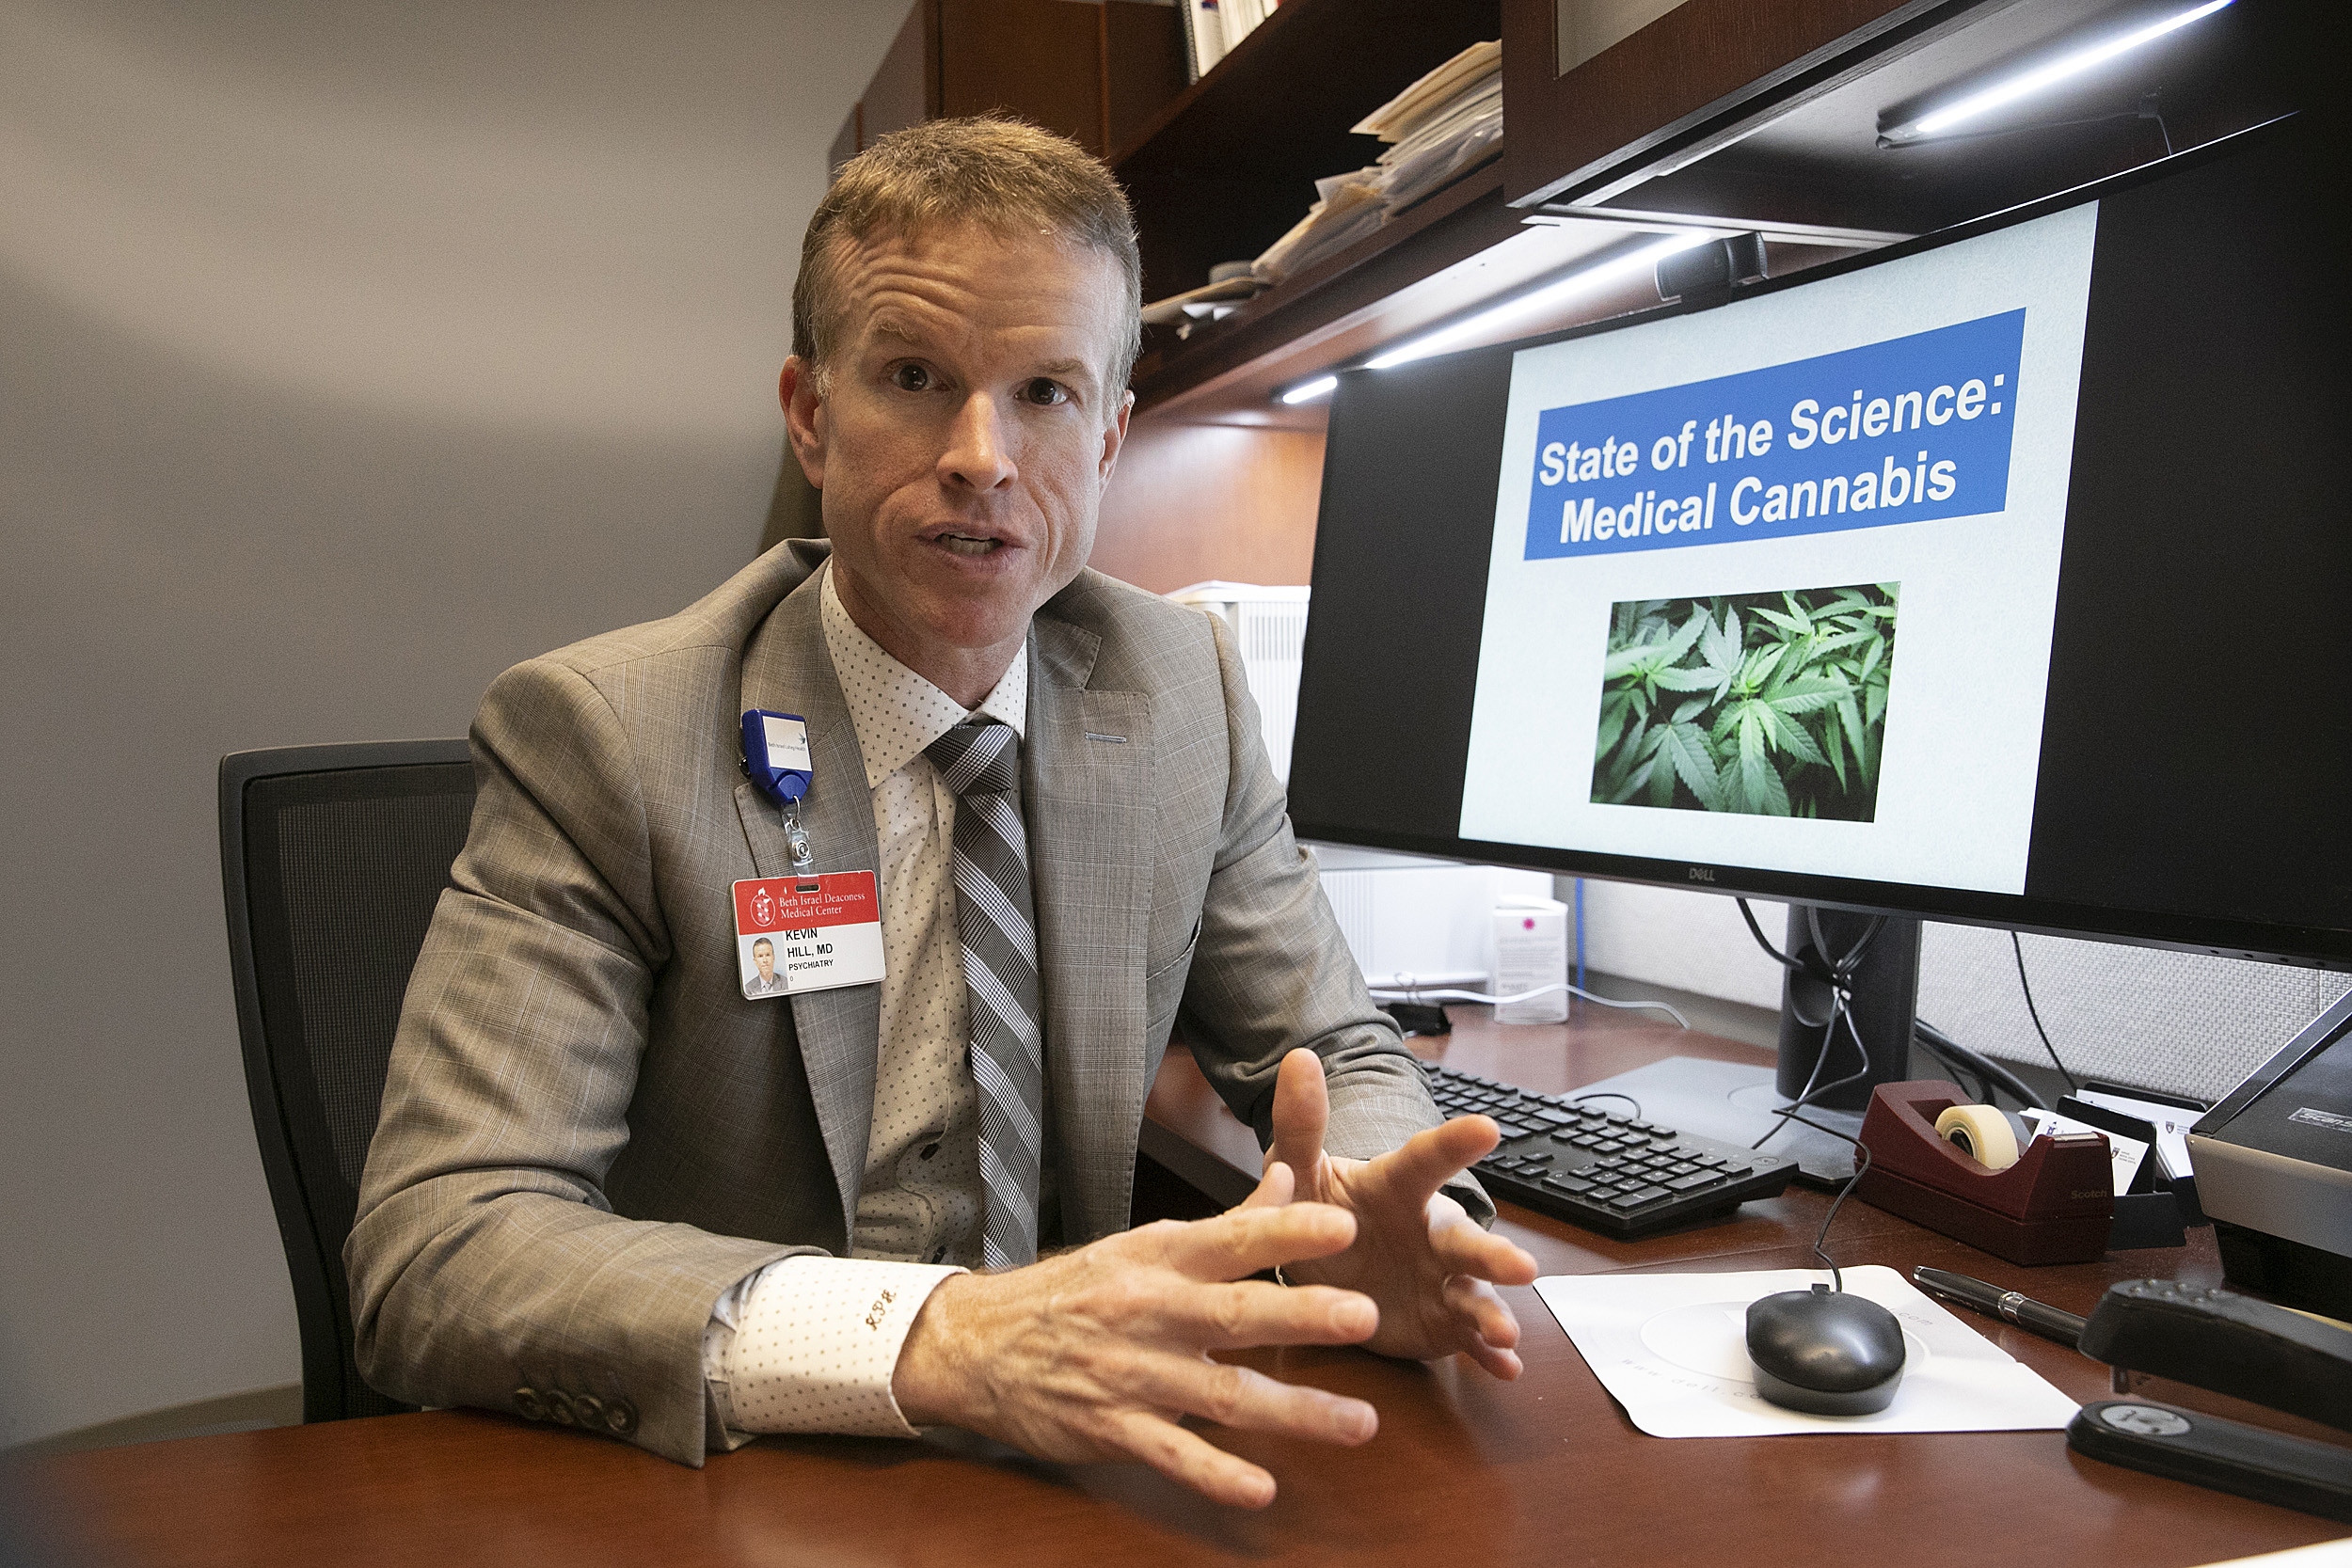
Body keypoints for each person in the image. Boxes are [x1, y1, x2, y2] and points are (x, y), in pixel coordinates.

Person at [348, 117, 1535, 1510]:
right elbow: (444, 1241)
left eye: (1044, 393)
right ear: (808, 411)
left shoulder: (1180, 692)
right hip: (742, 1477)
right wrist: (942, 1337)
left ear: (1108, 438)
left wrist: (1393, 1213)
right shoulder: (610, 735)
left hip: (1074, 1467)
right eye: (916, 378)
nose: (981, 455)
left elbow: (1330, 1047)